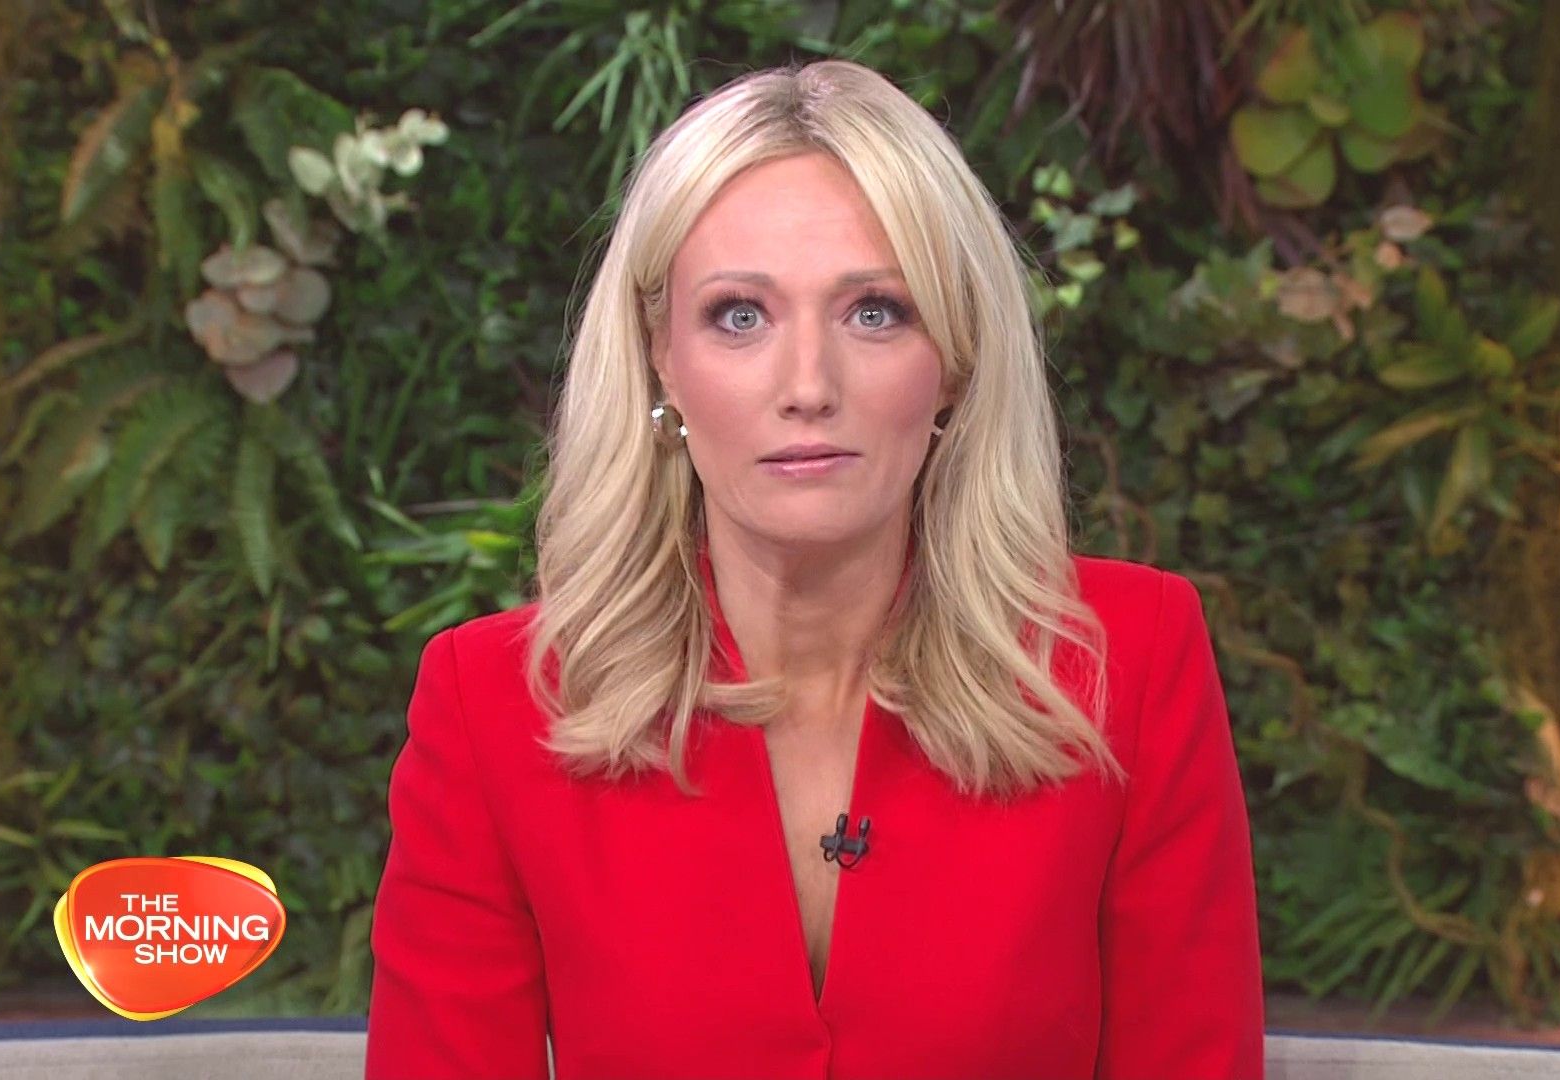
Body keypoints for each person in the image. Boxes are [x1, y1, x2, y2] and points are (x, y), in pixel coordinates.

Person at [364, 57, 1264, 1080]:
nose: (807, 386)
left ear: (956, 359)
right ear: (661, 356)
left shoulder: (1127, 660)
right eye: (739, 316)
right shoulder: (492, 706)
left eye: (874, 311)